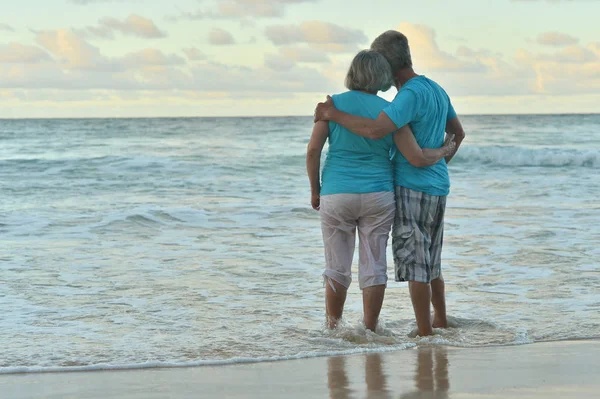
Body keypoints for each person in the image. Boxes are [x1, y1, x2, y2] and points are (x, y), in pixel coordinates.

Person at [314, 30, 466, 337]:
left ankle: (424, 332)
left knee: (415, 264)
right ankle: (439, 320)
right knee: (431, 260)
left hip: (411, 186)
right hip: (437, 187)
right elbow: (458, 134)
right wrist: (441, 160)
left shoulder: (407, 96)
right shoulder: (436, 88)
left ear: (386, 64)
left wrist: (333, 113)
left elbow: (375, 131)